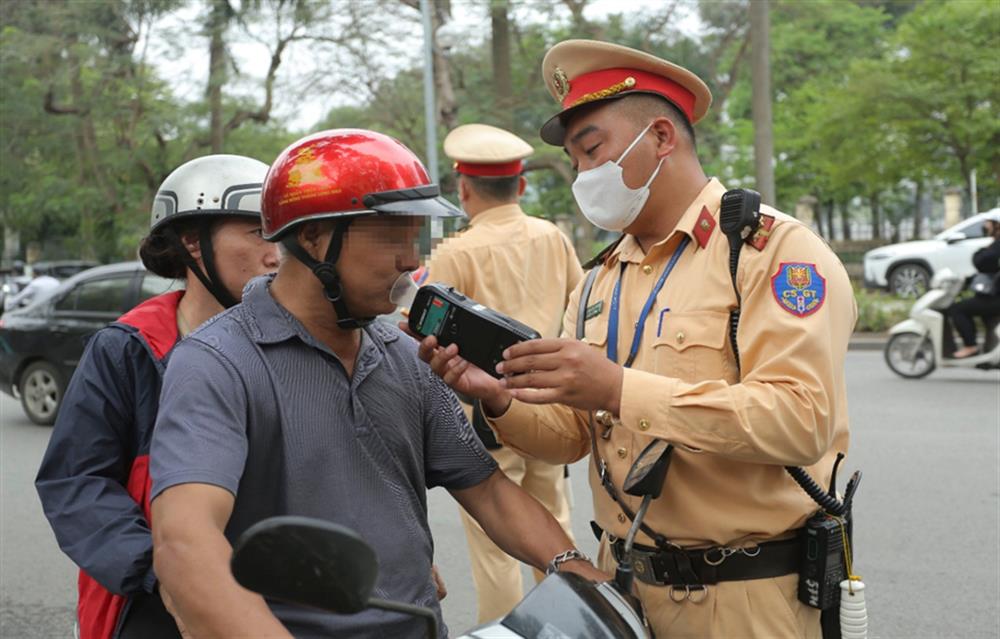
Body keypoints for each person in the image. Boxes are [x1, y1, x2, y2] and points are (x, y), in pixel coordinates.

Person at [418, 40, 857, 638]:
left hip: (746, 600)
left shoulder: (770, 253)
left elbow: (802, 420)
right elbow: (572, 437)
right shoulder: (601, 276)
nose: (583, 175)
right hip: (622, 591)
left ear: (659, 137)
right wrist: (495, 397)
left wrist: (621, 388)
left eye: (592, 150)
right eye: (574, 161)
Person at [148, 129, 605, 639]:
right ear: (314, 237)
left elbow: (489, 490)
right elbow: (185, 543)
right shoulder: (216, 363)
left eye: (416, 238)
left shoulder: (407, 358)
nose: (412, 261)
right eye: (392, 236)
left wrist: (576, 570)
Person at [35, 155, 280, 639]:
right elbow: (77, 482)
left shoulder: (293, 343)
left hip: (282, 595)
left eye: (279, 235)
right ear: (193, 243)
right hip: (156, 600)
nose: (276, 254)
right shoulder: (127, 348)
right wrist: (164, 572)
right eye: (255, 233)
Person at [423, 123, 583, 621]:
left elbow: (426, 332)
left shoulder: (454, 251)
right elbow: (580, 310)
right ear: (523, 186)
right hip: (553, 404)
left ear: (463, 188)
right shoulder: (552, 236)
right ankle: (570, 626)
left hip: (487, 410)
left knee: (495, 543)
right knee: (555, 529)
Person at [948, 212, 1000, 358]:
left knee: (958, 309)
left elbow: (982, 262)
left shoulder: (998, 245)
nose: (985, 226)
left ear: (997, 225)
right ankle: (989, 352)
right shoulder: (996, 243)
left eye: (989, 222)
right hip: (994, 295)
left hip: (996, 297)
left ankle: (970, 346)